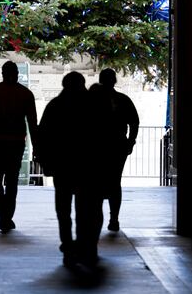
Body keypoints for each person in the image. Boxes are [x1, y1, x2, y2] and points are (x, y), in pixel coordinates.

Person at [36, 71, 111, 270]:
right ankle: (85, 245)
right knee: (85, 208)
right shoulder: (93, 105)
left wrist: (45, 161)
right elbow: (103, 135)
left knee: (63, 208)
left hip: (62, 165)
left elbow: (42, 135)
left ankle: (67, 244)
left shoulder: (55, 106)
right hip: (87, 165)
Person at [0, 60, 37, 233]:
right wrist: (37, 147)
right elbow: (33, 124)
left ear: (2, 73)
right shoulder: (25, 94)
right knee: (11, 181)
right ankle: (6, 215)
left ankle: (3, 211)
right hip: (16, 143)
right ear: (17, 73)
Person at [94, 68, 140, 232]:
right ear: (114, 81)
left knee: (96, 184)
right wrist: (130, 142)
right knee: (115, 182)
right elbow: (134, 122)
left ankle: (97, 217)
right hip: (117, 146)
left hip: (97, 148)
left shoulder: (92, 100)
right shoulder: (123, 99)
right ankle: (114, 218)